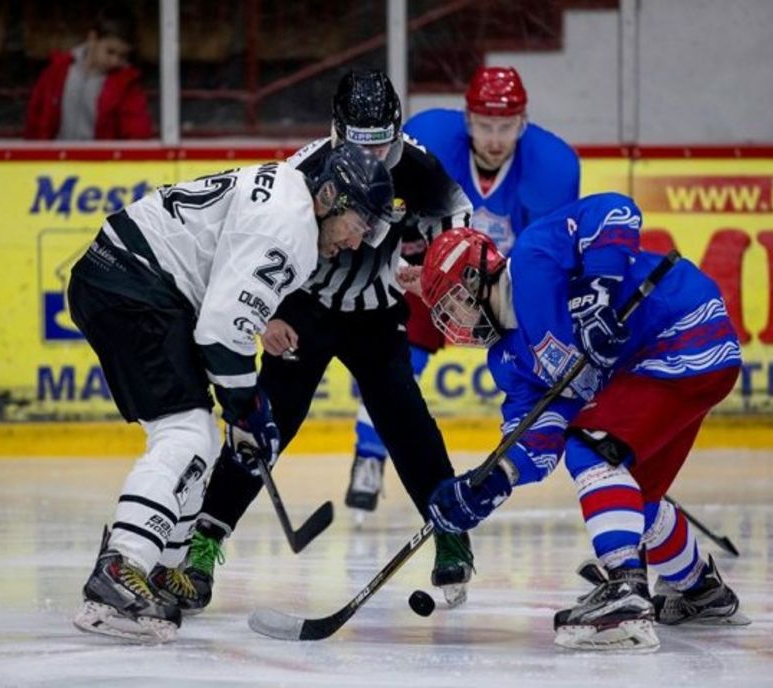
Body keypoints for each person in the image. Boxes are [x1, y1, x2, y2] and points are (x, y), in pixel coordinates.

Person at [67, 143, 397, 642]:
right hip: (134, 283)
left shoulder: (287, 191)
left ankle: (162, 568)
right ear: (328, 195)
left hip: (131, 276)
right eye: (359, 223)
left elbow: (225, 290)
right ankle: (120, 570)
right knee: (188, 433)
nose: (357, 241)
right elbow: (221, 333)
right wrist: (247, 410)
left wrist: (247, 403)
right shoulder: (290, 228)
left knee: (196, 429)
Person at [187, 70, 479, 609]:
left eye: (382, 144)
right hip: (304, 308)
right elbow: (252, 250)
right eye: (358, 146)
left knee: (405, 420)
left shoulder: (419, 169)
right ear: (336, 131)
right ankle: (203, 543)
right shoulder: (301, 171)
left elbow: (459, 232)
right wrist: (264, 317)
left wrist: (431, 269)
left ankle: (449, 528)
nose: (372, 157)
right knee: (266, 423)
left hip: (375, 313)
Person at [415, 192, 749, 651]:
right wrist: (491, 481)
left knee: (592, 447)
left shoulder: (533, 256)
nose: (456, 323)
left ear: (475, 276)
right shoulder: (508, 360)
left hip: (685, 327)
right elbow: (537, 434)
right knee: (635, 498)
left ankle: (625, 592)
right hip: (667, 367)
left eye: (455, 305)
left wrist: (599, 291)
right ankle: (701, 591)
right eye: (445, 316)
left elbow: (615, 211)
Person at [343, 66, 581, 520]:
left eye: (506, 126)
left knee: (544, 368)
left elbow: (548, 258)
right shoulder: (427, 137)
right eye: (485, 125)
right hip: (433, 273)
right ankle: (369, 454)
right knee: (397, 356)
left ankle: (596, 451)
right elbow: (390, 210)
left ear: (523, 123)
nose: (494, 138)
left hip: (504, 286)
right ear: (467, 120)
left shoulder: (552, 167)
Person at [25, 3, 153, 140]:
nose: (115, 61)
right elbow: (35, 117)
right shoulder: (57, 71)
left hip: (99, 160)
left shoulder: (127, 85)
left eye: (122, 56)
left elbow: (137, 131)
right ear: (92, 38)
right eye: (110, 52)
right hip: (55, 158)